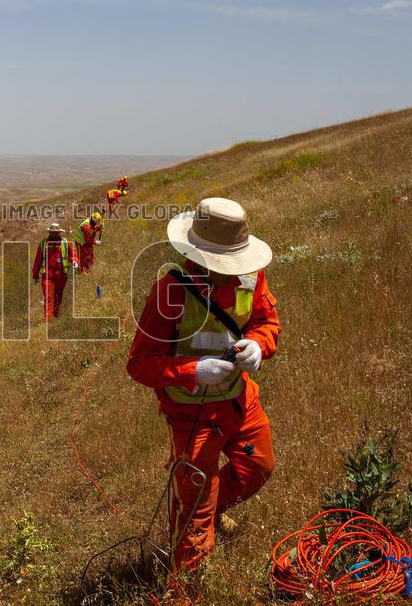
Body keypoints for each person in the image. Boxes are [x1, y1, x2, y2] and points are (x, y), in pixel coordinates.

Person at [126, 198, 280, 598]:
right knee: (194, 516)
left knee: (259, 466)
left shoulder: (251, 279)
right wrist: (194, 371)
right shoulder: (170, 292)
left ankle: (210, 514)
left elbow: (266, 321)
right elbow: (140, 364)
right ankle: (184, 593)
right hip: (192, 418)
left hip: (240, 402)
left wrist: (260, 346)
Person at [31, 222, 79, 321]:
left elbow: (72, 255)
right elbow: (38, 261)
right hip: (47, 277)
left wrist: (75, 261)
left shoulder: (65, 243)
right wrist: (35, 276)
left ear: (59, 233)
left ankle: (55, 317)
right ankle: (48, 320)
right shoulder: (43, 244)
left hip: (61, 276)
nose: (54, 234)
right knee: (49, 299)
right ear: (49, 233)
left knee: (58, 298)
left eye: (56, 233)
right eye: (52, 233)